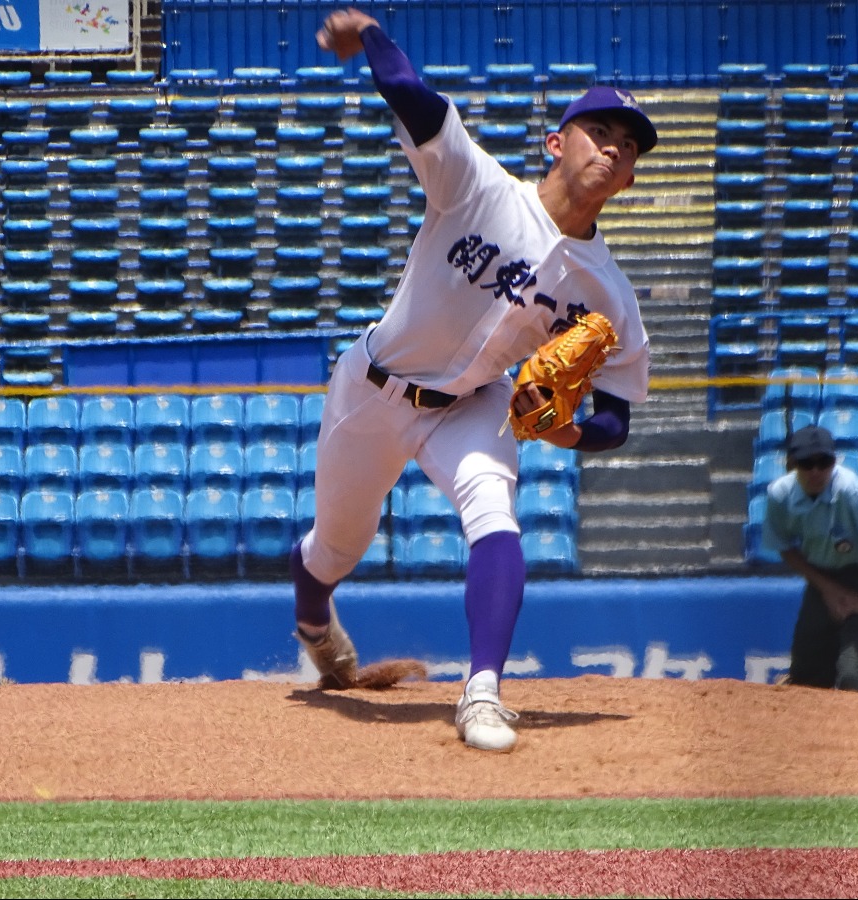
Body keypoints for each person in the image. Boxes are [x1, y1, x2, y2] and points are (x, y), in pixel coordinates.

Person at [292, 6, 656, 752]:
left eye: (628, 148)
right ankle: (314, 623)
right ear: (557, 142)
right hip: (374, 385)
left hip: (474, 403)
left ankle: (483, 691)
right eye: (601, 134)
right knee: (336, 546)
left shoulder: (610, 294)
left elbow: (617, 417)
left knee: (496, 510)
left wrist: (570, 429)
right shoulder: (480, 187)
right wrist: (371, 39)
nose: (614, 151)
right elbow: (419, 102)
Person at [760, 425, 858, 692]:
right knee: (805, 678)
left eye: (825, 462)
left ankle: (857, 732)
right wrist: (829, 590)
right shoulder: (779, 494)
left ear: (835, 461)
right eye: (807, 464)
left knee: (852, 676)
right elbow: (784, 546)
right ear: (792, 464)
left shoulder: (850, 490)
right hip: (820, 577)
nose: (816, 472)